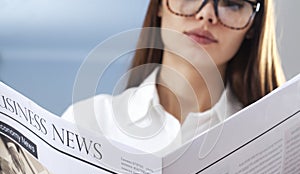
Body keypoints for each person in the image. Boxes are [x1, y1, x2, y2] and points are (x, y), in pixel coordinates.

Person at [62, 0, 285, 155]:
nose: (207, 13)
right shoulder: (87, 122)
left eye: (233, 3)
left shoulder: (273, 139)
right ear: (159, 4)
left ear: (253, 26)